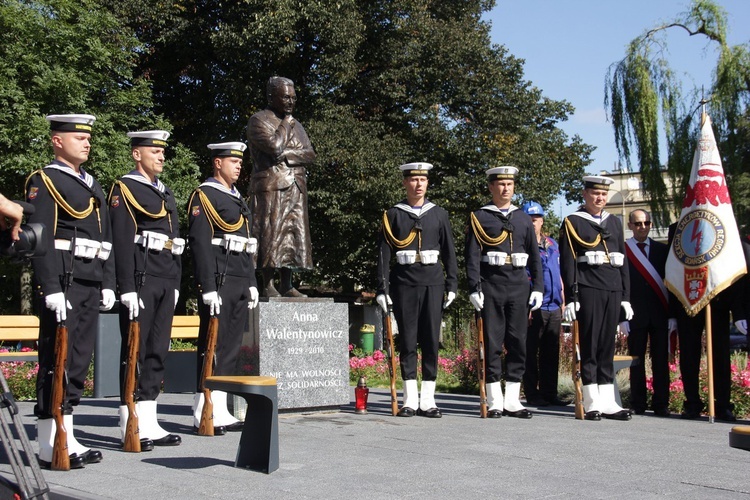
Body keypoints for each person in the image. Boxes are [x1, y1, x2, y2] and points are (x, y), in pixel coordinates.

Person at [26, 114, 115, 469]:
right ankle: (50, 442)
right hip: (63, 278)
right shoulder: (45, 180)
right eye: (78, 137)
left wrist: (108, 282)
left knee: (78, 359)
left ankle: (69, 433)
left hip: (90, 277)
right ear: (57, 141)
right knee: (56, 359)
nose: (86, 142)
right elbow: (39, 235)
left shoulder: (91, 184)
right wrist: (48, 286)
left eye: (88, 137)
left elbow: (105, 241)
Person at [109, 130, 183, 447]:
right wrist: (124, 286)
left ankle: (149, 416)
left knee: (158, 348)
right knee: (136, 348)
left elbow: (176, 243)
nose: (161, 156)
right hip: (141, 275)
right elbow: (121, 242)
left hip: (165, 275)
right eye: (154, 151)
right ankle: (130, 415)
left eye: (162, 152)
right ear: (137, 154)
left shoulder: (165, 193)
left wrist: (177, 283)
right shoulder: (124, 189)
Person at [188, 142, 260, 434]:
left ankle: (220, 407)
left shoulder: (237, 198)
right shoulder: (204, 196)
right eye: (232, 160)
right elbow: (200, 244)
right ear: (217, 163)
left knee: (231, 345)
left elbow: (246, 246)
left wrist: (253, 282)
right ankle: (203, 409)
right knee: (212, 345)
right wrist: (206, 285)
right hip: (219, 278)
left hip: (239, 277)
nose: (238, 165)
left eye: (240, 161)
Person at [376, 162, 457, 418]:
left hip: (433, 281)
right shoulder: (393, 214)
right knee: (408, 340)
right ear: (405, 182)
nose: (418, 184)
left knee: (431, 340)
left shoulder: (439, 214)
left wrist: (452, 284)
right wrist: (382, 288)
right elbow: (383, 254)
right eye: (413, 179)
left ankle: (429, 400)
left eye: (423, 179)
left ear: (427, 183)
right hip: (404, 282)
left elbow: (449, 252)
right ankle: (410, 399)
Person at [465, 167, 543, 419]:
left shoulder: (522, 218)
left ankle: (512, 399)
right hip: (492, 285)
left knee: (518, 342)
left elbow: (535, 257)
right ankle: (494, 399)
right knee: (492, 342)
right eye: (500, 184)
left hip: (519, 286)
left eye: (509, 184)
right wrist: (474, 287)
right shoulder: (479, 217)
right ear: (491, 187)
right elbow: (472, 256)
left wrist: (538, 287)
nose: (505, 188)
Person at [559, 175, 632, 421]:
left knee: (606, 345)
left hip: (612, 288)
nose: (600, 198)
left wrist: (625, 297)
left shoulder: (614, 222)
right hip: (588, 288)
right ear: (585, 194)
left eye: (603, 195)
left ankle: (608, 400)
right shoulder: (573, 222)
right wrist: (571, 296)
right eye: (595, 194)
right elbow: (568, 263)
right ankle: (591, 401)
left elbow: (622, 262)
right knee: (589, 344)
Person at [246, 76, 315, 298]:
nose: (290, 102)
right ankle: (267, 283)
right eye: (286, 97)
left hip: (296, 186)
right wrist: (285, 125)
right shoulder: (259, 120)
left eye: (293, 98)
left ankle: (287, 283)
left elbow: (310, 155)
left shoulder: (298, 124)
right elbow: (274, 147)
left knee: (292, 236)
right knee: (271, 232)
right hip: (271, 186)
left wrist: (287, 155)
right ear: (271, 96)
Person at [668, 222, 739, 421]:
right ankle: (692, 403)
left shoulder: (723, 220)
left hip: (717, 301)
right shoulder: (677, 228)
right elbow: (671, 270)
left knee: (720, 355)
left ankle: (723, 404)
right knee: (689, 355)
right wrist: (672, 313)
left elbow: (732, 263)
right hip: (687, 299)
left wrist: (736, 309)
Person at [622, 209, 672, 417]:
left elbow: (671, 283)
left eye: (646, 223)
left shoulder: (663, 250)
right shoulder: (624, 250)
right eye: (638, 223)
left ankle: (661, 404)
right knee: (636, 361)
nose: (642, 227)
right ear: (630, 226)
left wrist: (673, 315)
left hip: (660, 312)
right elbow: (620, 284)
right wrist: (621, 317)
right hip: (635, 314)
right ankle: (638, 403)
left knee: (661, 361)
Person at [521, 200, 566, 407]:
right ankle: (532, 393)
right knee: (530, 352)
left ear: (542, 221)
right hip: (534, 307)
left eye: (536, 219)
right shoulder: (521, 247)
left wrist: (564, 299)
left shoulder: (553, 244)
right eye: (529, 219)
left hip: (554, 305)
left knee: (551, 351)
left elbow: (559, 273)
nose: (533, 223)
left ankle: (550, 392)